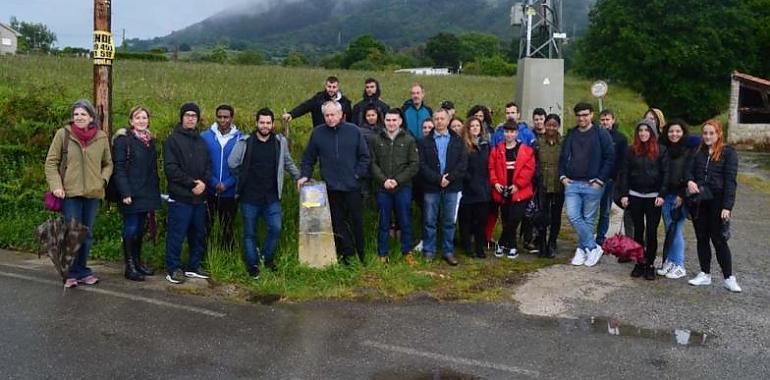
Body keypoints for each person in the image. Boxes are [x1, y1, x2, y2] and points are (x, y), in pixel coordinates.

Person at [45, 99, 113, 288]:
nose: (79, 117)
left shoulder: (101, 137)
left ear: (91, 117)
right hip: (70, 193)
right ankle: (70, 273)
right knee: (73, 233)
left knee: (87, 234)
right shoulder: (63, 135)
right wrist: (56, 185)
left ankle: (83, 270)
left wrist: (102, 180)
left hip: (93, 192)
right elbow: (51, 163)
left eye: (83, 114)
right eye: (76, 114)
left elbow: (108, 163)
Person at [229, 108, 300, 278]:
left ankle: (266, 259)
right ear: (256, 123)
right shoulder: (245, 142)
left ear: (273, 124)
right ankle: (253, 266)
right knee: (249, 233)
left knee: (276, 228)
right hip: (249, 197)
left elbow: (288, 162)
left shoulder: (279, 142)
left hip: (272, 197)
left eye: (268, 122)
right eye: (262, 122)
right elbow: (232, 163)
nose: (265, 126)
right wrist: (243, 178)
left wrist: (300, 177)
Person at [298, 101, 371, 264]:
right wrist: (304, 175)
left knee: (356, 221)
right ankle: (347, 255)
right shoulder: (318, 133)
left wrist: (357, 175)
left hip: (352, 186)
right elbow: (309, 158)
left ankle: (362, 254)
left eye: (333, 115)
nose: (330, 118)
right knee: (337, 223)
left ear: (340, 114)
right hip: (331, 187)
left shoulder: (353, 131)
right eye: (327, 115)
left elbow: (365, 157)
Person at [685, 120, 741, 292]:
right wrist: (689, 181)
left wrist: (727, 207)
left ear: (718, 134)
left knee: (719, 240)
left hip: (717, 201)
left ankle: (728, 277)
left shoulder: (728, 153)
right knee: (702, 238)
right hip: (699, 201)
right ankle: (705, 273)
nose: (708, 136)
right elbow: (688, 171)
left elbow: (731, 181)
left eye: (711, 133)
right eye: (705, 133)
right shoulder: (697, 151)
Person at [559, 102, 615, 267]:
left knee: (589, 219)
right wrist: (562, 176)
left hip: (593, 184)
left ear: (591, 115)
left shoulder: (601, 134)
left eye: (585, 115)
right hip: (572, 183)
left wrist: (600, 179)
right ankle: (592, 246)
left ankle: (582, 250)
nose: (582, 118)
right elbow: (563, 157)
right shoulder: (571, 134)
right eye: (579, 115)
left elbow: (610, 157)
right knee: (573, 215)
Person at [163, 103, 212, 284]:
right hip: (180, 197)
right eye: (187, 115)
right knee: (177, 234)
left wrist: (203, 183)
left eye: (194, 115)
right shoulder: (172, 141)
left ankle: (193, 266)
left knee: (198, 233)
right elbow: (171, 169)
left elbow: (208, 166)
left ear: (197, 119)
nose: (191, 118)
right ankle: (173, 268)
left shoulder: (201, 141)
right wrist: (191, 183)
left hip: (199, 198)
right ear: (182, 117)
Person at [111, 106, 161, 281]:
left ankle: (138, 263)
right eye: (137, 118)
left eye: (144, 117)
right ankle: (130, 266)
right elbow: (118, 168)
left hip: (146, 192)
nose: (141, 121)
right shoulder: (123, 140)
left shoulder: (150, 140)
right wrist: (125, 192)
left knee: (140, 229)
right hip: (130, 193)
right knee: (131, 229)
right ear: (131, 121)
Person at [619, 120, 669, 280]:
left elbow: (666, 174)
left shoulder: (661, 150)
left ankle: (650, 263)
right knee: (638, 230)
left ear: (652, 133)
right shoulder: (631, 150)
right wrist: (624, 194)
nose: (643, 133)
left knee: (652, 232)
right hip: (635, 196)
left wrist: (662, 194)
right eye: (640, 130)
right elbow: (624, 172)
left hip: (653, 197)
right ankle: (640, 262)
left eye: (646, 130)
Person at [418, 108, 467, 265]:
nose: (439, 121)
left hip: (452, 187)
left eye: (442, 119)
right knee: (430, 221)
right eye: (436, 119)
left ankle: (448, 251)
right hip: (432, 186)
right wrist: (438, 179)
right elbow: (422, 165)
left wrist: (449, 178)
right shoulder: (424, 141)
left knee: (448, 221)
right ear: (433, 121)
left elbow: (462, 164)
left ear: (448, 121)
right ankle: (429, 250)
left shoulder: (458, 141)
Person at [369, 108, 419, 263]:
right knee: (384, 221)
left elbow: (414, 164)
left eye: (394, 120)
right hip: (383, 188)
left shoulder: (409, 140)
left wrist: (397, 180)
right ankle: (382, 254)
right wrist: (384, 180)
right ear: (384, 121)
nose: (391, 123)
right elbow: (372, 163)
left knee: (405, 220)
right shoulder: (377, 140)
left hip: (402, 187)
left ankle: (406, 252)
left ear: (400, 121)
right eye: (388, 120)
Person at [486, 102, 535, 250]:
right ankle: (511, 246)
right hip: (502, 188)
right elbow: (492, 167)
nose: (509, 134)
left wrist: (518, 185)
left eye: (512, 132)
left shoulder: (526, 150)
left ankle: (501, 242)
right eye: (507, 132)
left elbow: (528, 169)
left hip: (519, 189)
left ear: (517, 133)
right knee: (506, 218)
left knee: (515, 218)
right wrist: (495, 183)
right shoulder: (497, 149)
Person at [201, 104, 241, 250]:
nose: (222, 120)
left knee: (227, 227)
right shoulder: (205, 137)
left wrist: (228, 183)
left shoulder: (241, 139)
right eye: (220, 117)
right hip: (209, 190)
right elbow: (201, 163)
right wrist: (212, 182)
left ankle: (226, 258)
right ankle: (204, 257)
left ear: (232, 118)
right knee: (206, 226)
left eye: (226, 117)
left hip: (230, 192)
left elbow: (242, 167)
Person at [657, 119, 692, 279]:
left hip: (680, 196)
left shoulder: (688, 150)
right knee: (669, 229)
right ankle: (670, 261)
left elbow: (689, 174)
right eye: (671, 131)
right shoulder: (663, 149)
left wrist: (683, 195)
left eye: (678, 131)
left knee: (676, 230)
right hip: (666, 194)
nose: (674, 134)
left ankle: (679, 265)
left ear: (683, 132)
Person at [458, 117, 491, 258]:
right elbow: (460, 166)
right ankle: (467, 247)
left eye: (477, 126)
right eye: (472, 126)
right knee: (466, 221)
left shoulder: (486, 145)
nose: (475, 128)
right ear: (468, 128)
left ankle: (479, 247)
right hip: (467, 188)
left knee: (481, 220)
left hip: (483, 189)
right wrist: (468, 179)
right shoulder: (462, 146)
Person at [595, 109, 628, 248]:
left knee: (605, 210)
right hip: (594, 179)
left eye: (607, 119)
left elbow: (622, 161)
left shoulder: (621, 138)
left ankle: (601, 238)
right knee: (590, 211)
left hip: (610, 180)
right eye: (602, 120)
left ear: (613, 120)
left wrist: (618, 179)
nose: (605, 122)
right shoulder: (595, 136)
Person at [534, 114, 565, 258]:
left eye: (554, 125)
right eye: (549, 125)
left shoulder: (564, 143)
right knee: (542, 215)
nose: (551, 128)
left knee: (556, 216)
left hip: (559, 185)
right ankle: (541, 243)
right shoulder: (538, 143)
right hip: (542, 185)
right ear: (545, 125)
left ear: (558, 126)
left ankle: (552, 243)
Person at [520, 107, 548, 253]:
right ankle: (527, 238)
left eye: (541, 119)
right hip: (530, 178)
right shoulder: (528, 135)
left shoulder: (550, 135)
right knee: (529, 209)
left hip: (545, 177)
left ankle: (540, 238)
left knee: (542, 208)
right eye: (536, 119)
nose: (538, 122)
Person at [282, 76, 353, 127]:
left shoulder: (345, 102)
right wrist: (291, 114)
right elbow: (305, 107)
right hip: (320, 132)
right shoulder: (318, 99)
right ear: (325, 86)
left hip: (338, 134)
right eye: (329, 86)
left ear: (338, 88)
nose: (331, 89)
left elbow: (350, 120)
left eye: (334, 87)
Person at [411, 118, 436, 252]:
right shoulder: (418, 143)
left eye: (429, 127)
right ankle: (424, 239)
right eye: (424, 127)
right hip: (419, 184)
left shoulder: (438, 142)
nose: (427, 130)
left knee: (433, 215)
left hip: (435, 184)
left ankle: (433, 240)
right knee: (424, 214)